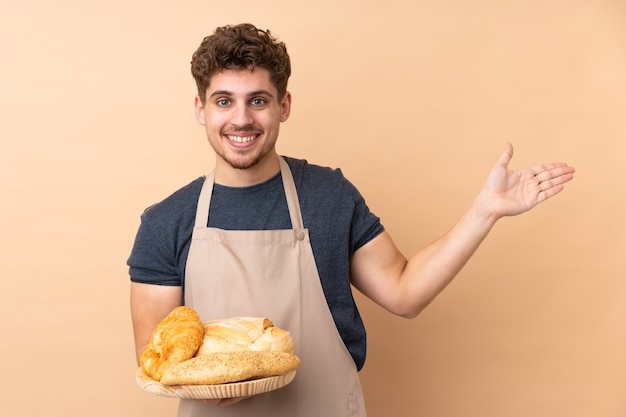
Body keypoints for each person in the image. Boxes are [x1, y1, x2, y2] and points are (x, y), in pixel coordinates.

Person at [128, 23, 575, 417]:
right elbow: (159, 359)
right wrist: (206, 387)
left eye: (258, 100)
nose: (241, 119)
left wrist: (485, 210)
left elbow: (405, 293)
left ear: (283, 106)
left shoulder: (328, 196)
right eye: (224, 101)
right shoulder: (167, 221)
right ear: (200, 109)